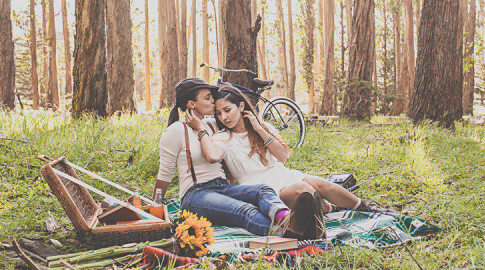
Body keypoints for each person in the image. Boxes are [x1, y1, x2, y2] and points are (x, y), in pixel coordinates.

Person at [153, 77, 317, 238]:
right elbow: (165, 174)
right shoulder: (175, 131)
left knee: (263, 190)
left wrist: (258, 126)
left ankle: (289, 220)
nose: (213, 101)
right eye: (207, 97)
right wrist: (154, 209)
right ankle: (285, 233)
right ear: (191, 104)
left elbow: (236, 118)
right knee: (245, 210)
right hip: (196, 194)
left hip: (222, 187)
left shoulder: (214, 124)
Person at [212, 83, 380, 215]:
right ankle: (331, 209)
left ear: (241, 107)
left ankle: (367, 209)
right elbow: (213, 155)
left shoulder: (262, 128)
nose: (224, 117)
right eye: (219, 113)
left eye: (227, 110)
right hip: (258, 189)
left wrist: (259, 129)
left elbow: (283, 156)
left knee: (324, 185)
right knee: (305, 191)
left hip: (281, 174)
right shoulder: (221, 138)